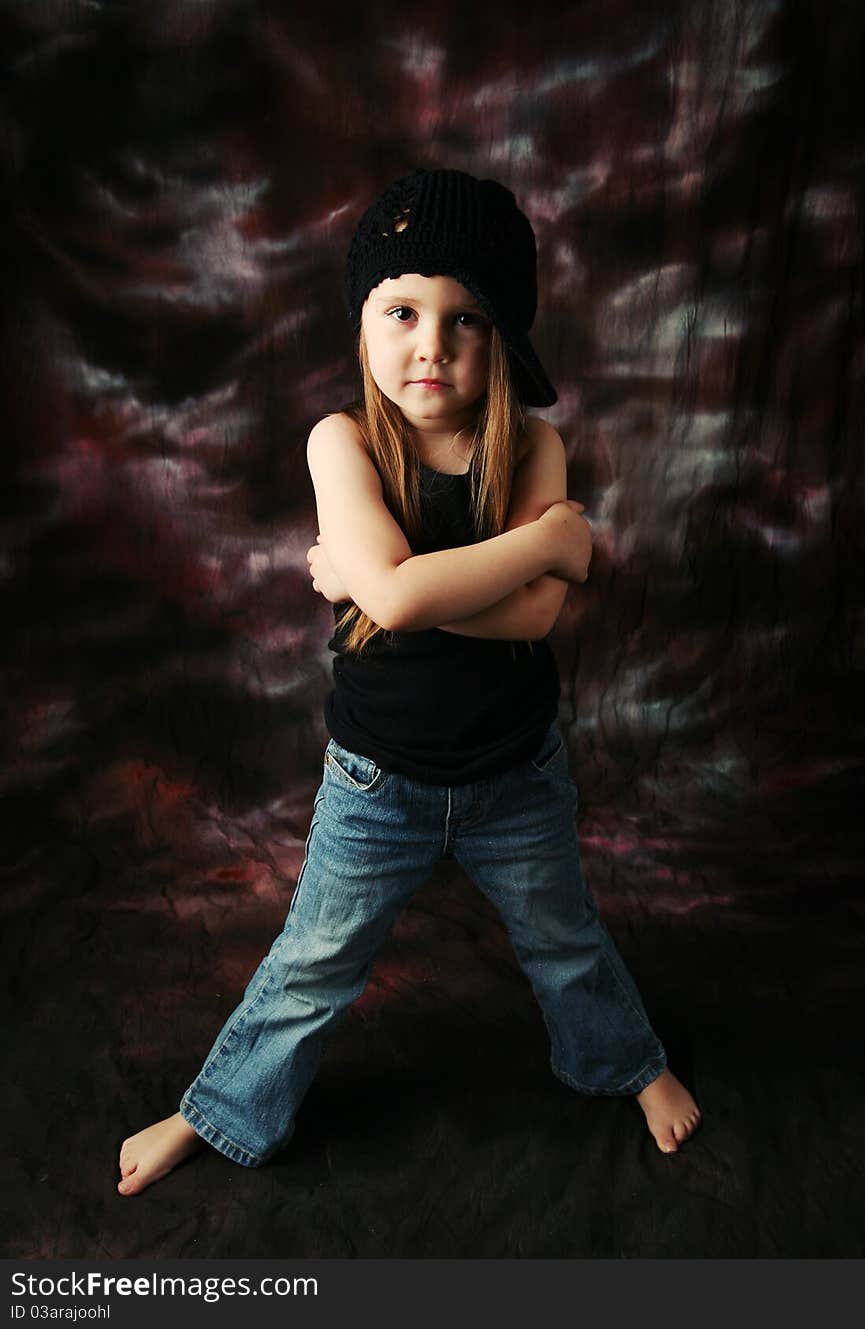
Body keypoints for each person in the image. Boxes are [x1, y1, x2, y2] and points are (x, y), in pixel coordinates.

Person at [118, 168, 701, 1197]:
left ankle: (626, 1063)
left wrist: (378, 584)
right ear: (363, 323)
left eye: (465, 320)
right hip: (376, 783)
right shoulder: (339, 441)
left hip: (514, 774)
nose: (430, 343)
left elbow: (525, 618)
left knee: (563, 938)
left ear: (501, 344)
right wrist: (548, 544)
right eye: (401, 311)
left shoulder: (535, 445)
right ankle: (214, 1109)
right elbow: (417, 599)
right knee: (313, 965)